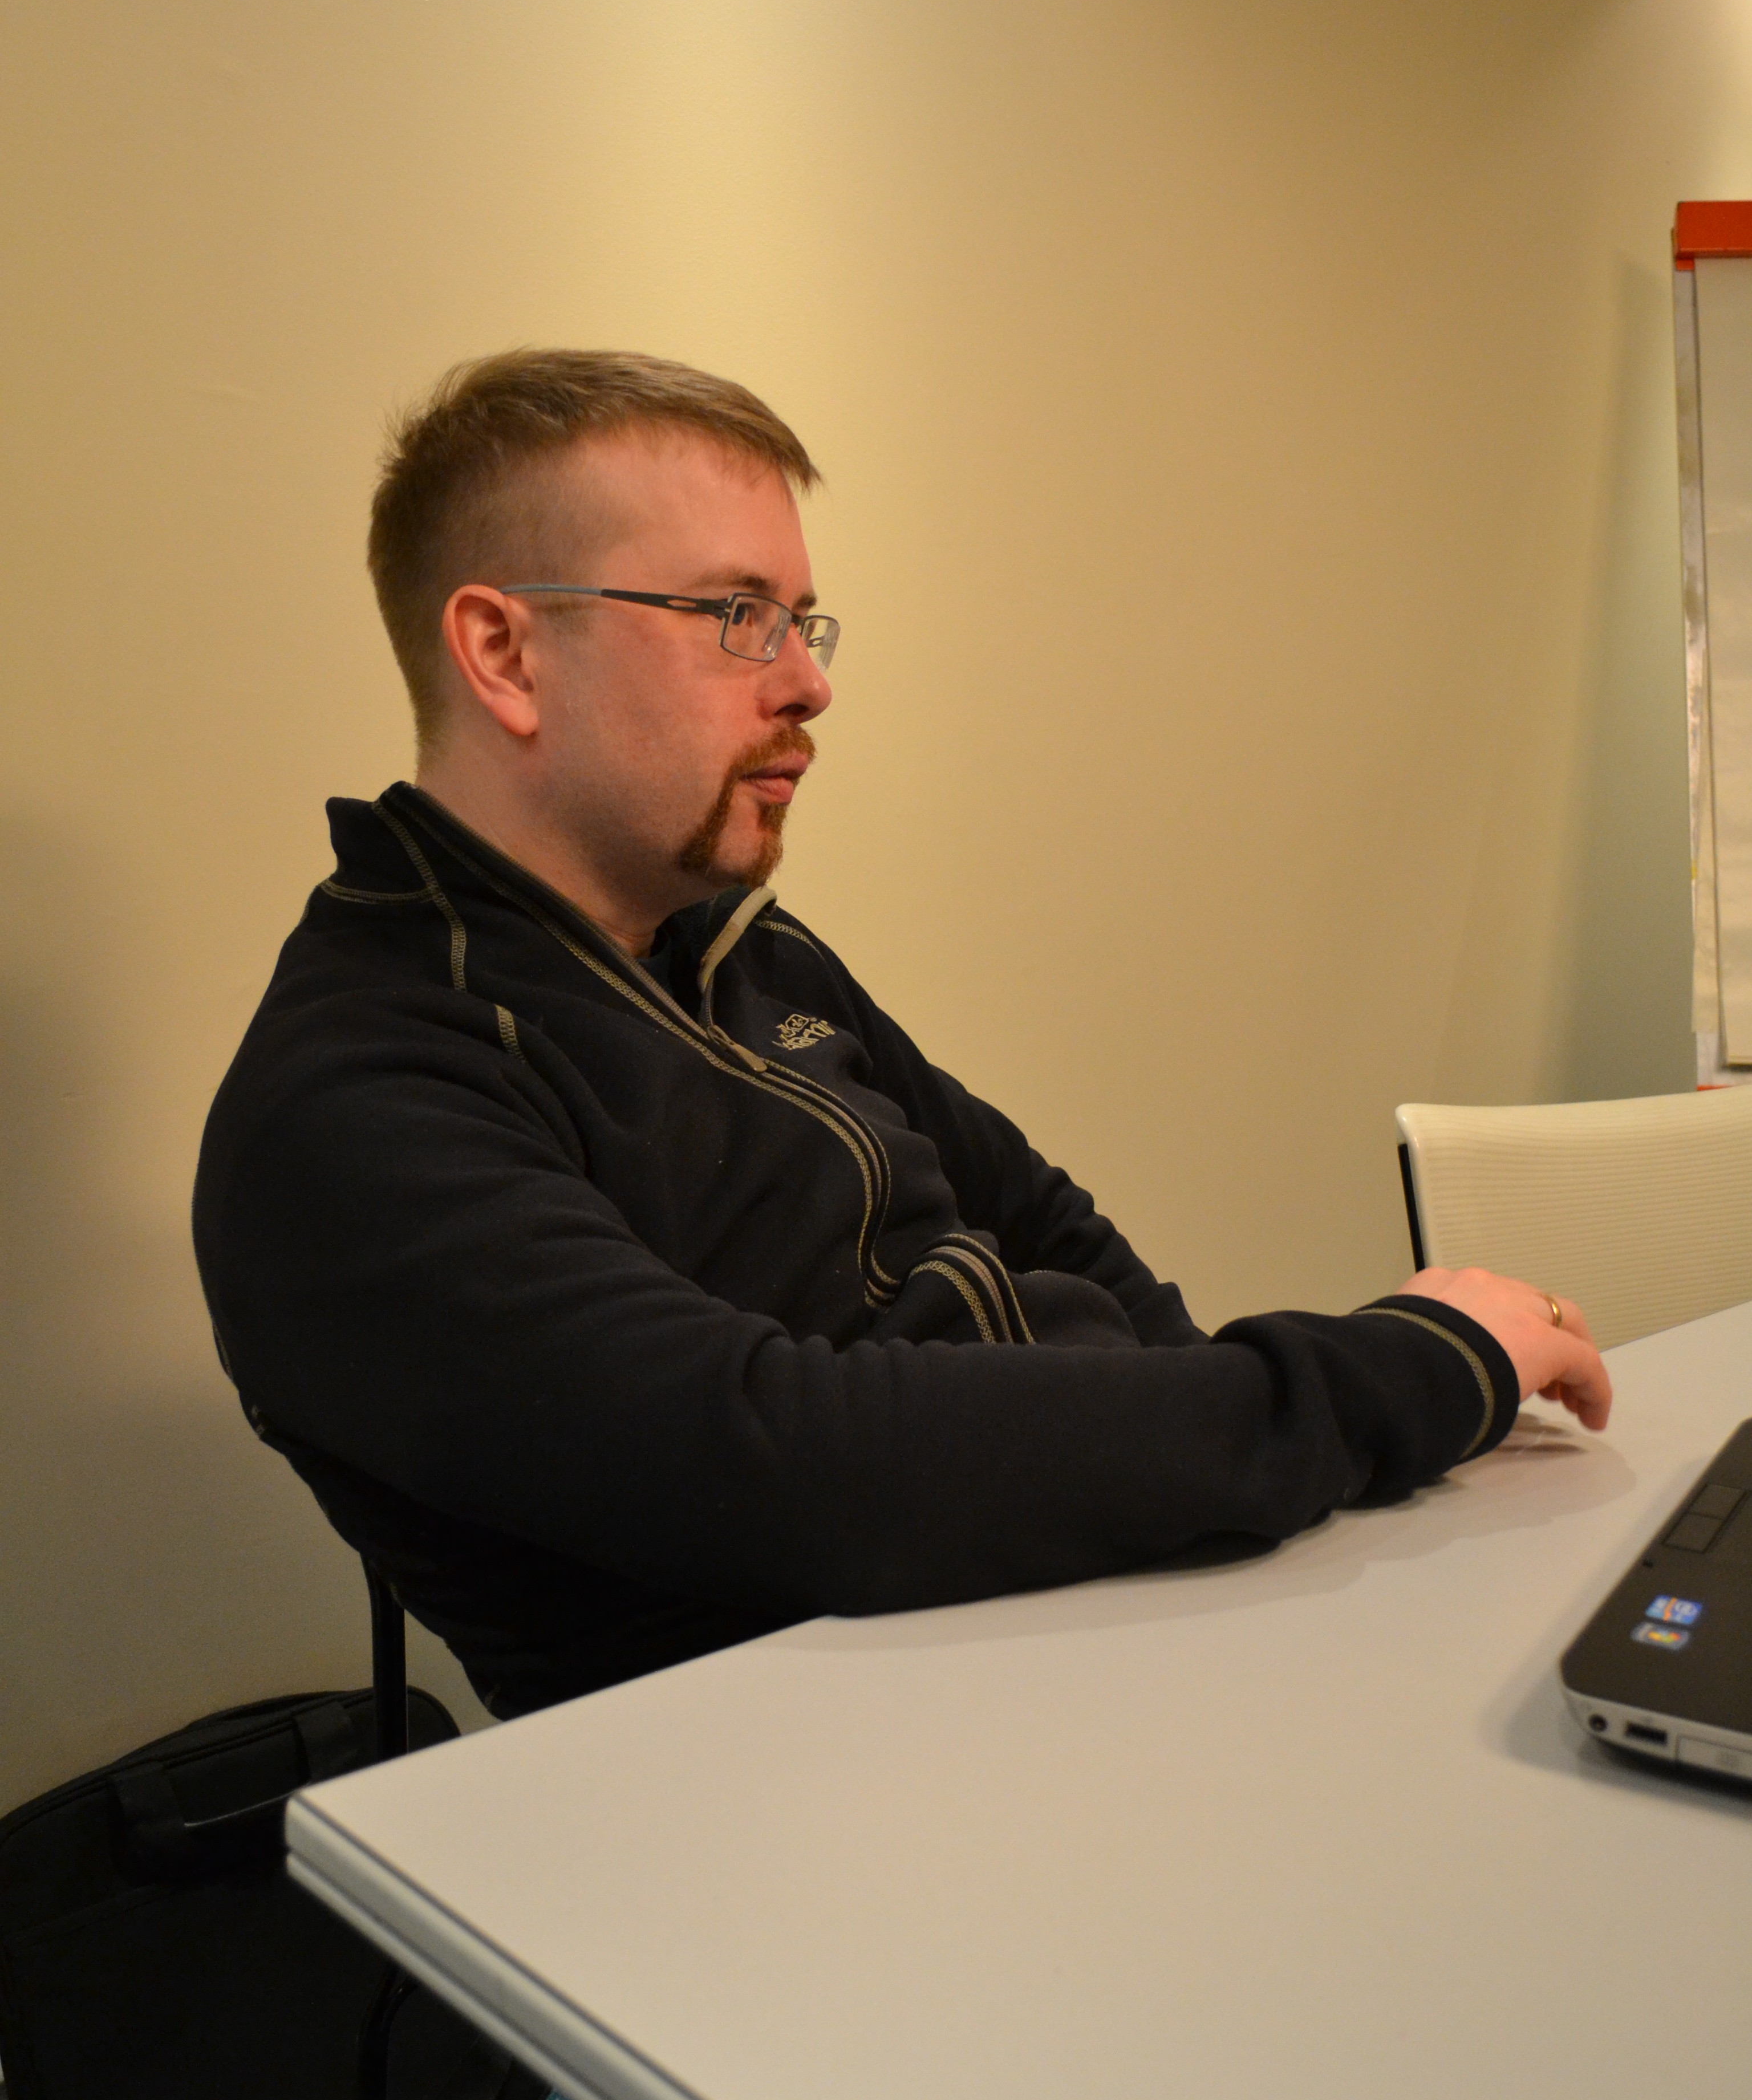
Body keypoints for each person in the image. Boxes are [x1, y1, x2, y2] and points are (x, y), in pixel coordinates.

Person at [193, 349, 1611, 1719]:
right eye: (735, 615)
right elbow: (796, 1469)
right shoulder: (353, 1106)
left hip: (1109, 1654)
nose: (807, 684)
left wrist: (1263, 1515)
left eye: (802, 622)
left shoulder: (738, 948)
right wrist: (1396, 1381)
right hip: (820, 1786)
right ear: (505, 653)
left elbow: (1048, 1230)